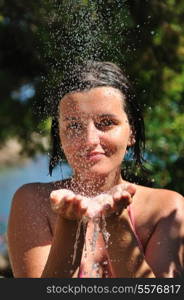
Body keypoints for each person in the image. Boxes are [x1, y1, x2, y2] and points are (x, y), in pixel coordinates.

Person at [7, 61, 184, 278]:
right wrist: (70, 224)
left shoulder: (167, 208)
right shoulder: (33, 201)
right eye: (74, 126)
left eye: (106, 122)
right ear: (60, 137)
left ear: (132, 132)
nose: (89, 140)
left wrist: (116, 221)